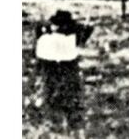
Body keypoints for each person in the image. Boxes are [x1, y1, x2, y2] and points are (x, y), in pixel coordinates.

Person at [33, 10, 94, 138]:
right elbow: (86, 33)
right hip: (69, 77)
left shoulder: (44, 39)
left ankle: (56, 129)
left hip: (50, 78)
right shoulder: (71, 39)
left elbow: (39, 32)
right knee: (72, 107)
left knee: (52, 107)